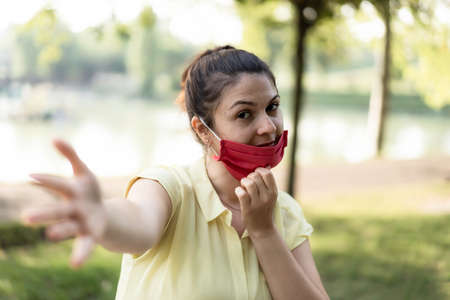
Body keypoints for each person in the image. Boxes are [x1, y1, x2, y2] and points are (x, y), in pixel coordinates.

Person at [22, 46, 329, 300]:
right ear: (203, 130)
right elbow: (138, 221)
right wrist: (103, 216)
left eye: (272, 107)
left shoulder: (285, 213)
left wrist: (264, 232)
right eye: (244, 114)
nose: (267, 127)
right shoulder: (168, 188)